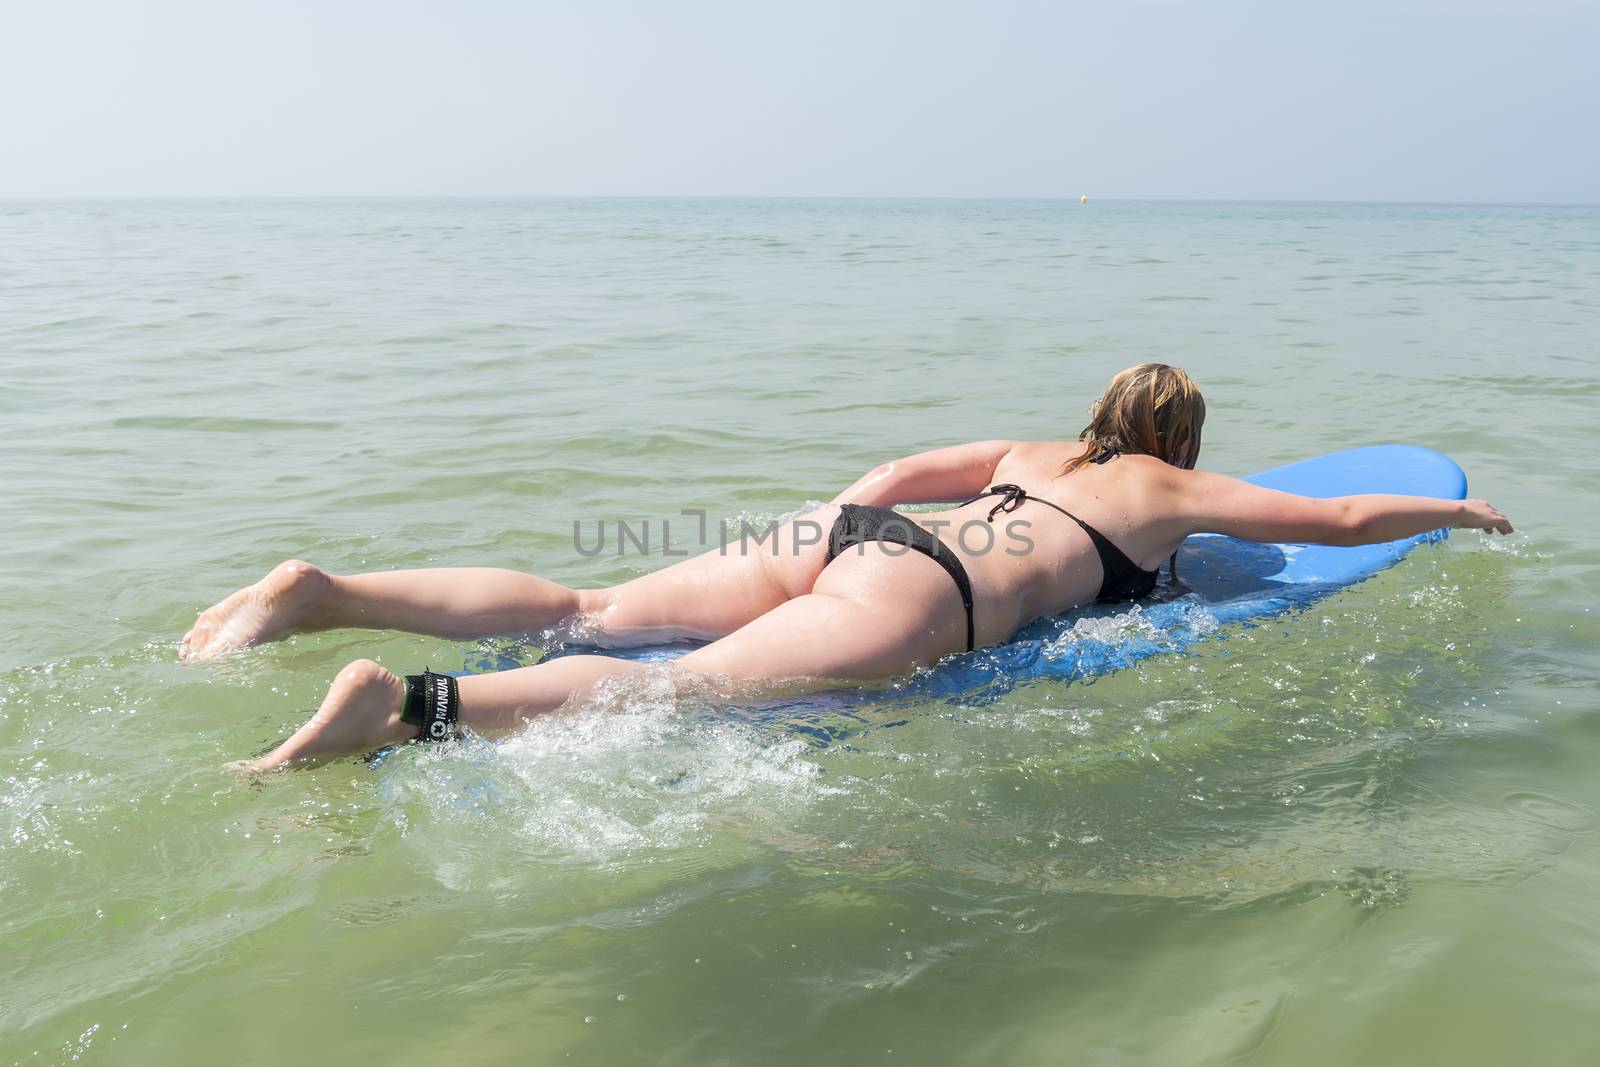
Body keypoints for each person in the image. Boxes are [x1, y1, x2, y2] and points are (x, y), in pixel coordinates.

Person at [183, 364, 1513, 770]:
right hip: (921, 600)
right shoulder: (1175, 489)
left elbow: (883, 480)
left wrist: (822, 544)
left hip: (857, 541)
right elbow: (1328, 525)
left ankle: (323, 591)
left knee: (592, 605)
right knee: (680, 690)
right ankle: (401, 709)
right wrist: (1454, 519)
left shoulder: (1034, 445)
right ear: (1180, 439)